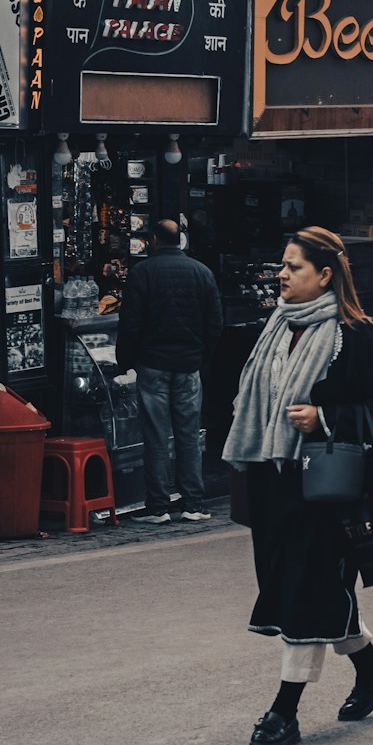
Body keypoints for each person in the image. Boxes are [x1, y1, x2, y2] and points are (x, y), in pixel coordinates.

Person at [223, 227, 373, 745]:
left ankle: (284, 710)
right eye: (281, 265)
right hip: (274, 481)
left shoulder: (356, 334)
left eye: (294, 267)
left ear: (325, 275)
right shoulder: (276, 328)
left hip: (327, 488)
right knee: (304, 590)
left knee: (307, 593)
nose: (282, 275)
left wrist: (325, 417)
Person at [118, 218, 223, 524]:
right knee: (188, 435)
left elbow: (130, 324)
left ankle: (158, 506)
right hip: (188, 365)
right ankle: (193, 503)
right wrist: (201, 358)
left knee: (155, 436)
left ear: (153, 239)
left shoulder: (142, 273)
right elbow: (215, 323)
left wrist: (126, 362)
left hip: (153, 365)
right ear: (181, 240)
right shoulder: (201, 272)